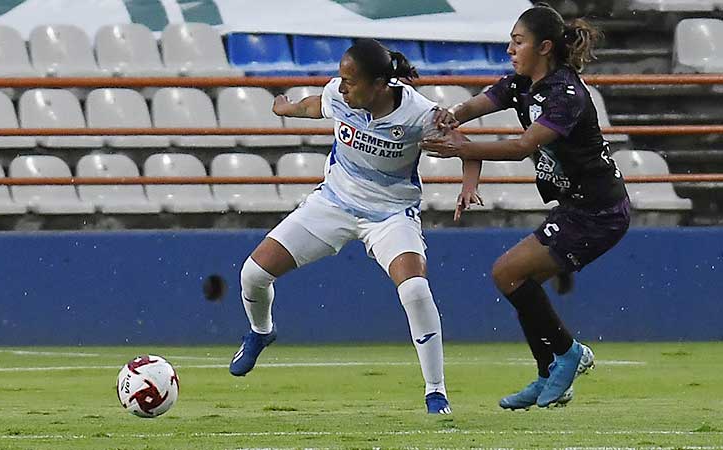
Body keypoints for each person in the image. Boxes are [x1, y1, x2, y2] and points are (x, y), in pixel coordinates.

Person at [228, 38, 484, 414]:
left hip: (391, 214)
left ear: (380, 85)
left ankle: (436, 392)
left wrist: (469, 185)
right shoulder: (339, 95)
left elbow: (466, 146)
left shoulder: (419, 114)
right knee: (252, 274)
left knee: (414, 289)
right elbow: (315, 105)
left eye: (350, 80)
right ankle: (261, 332)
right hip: (332, 203)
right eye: (340, 78)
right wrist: (285, 107)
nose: (341, 85)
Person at [421, 3, 630, 409]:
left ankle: (568, 355)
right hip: (575, 206)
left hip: (600, 211)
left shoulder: (566, 94)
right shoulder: (520, 83)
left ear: (545, 47)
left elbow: (522, 147)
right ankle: (549, 370)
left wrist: (458, 149)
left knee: (507, 273)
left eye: (518, 42)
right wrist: (452, 117)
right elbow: (476, 105)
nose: (510, 49)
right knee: (513, 277)